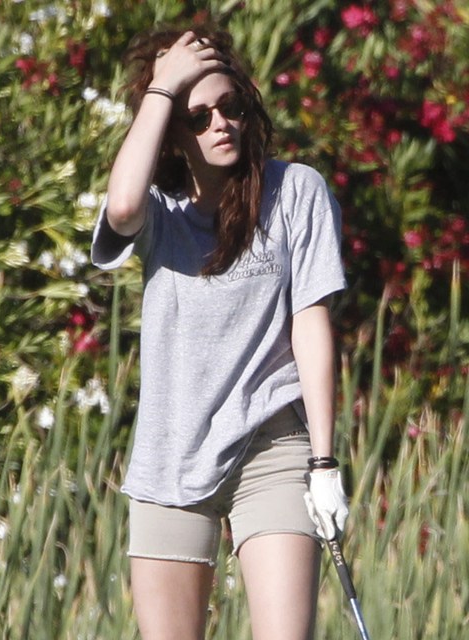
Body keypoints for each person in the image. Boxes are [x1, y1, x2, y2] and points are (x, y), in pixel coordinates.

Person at [91, 24, 349, 640]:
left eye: (230, 107)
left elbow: (311, 326)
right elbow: (120, 207)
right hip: (171, 456)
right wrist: (162, 87)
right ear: (174, 133)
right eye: (198, 116)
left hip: (273, 448)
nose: (220, 124)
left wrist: (324, 463)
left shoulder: (296, 191)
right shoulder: (159, 211)